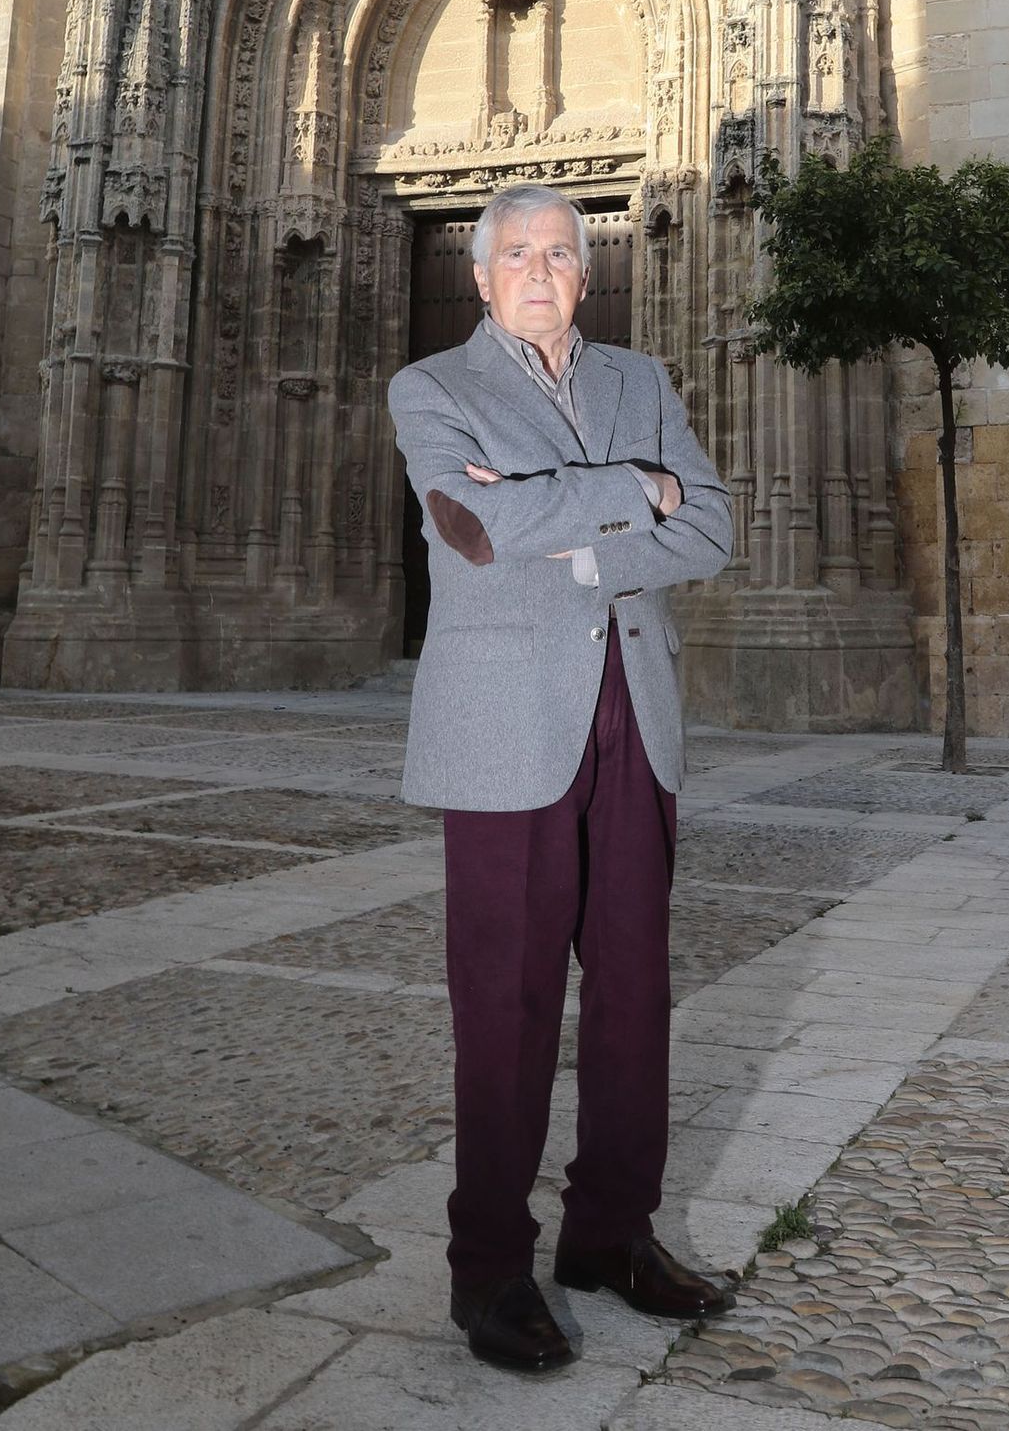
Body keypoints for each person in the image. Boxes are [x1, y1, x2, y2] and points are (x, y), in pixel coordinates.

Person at [388, 184, 737, 1374]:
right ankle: (488, 1266)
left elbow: (718, 528)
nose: (540, 268)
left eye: (562, 252)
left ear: (587, 273)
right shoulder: (431, 387)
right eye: (517, 253)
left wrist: (555, 517)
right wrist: (639, 494)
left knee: (636, 990)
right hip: (502, 728)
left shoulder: (639, 382)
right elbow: (465, 539)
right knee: (508, 1001)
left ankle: (610, 1232)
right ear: (481, 275)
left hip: (633, 717)